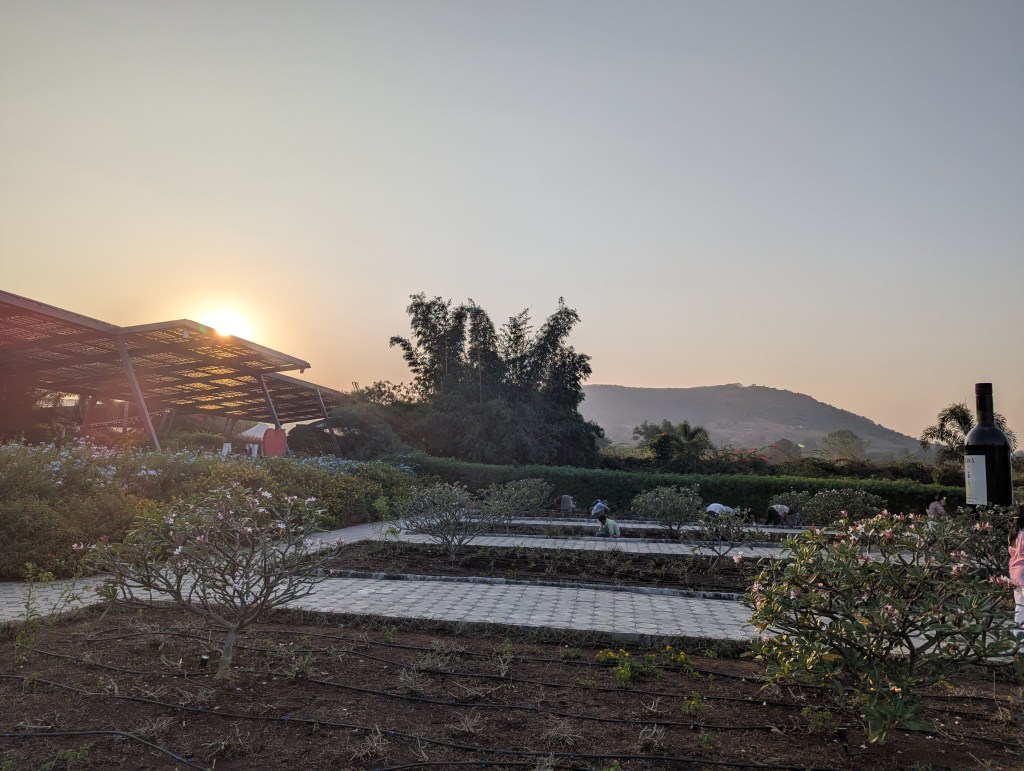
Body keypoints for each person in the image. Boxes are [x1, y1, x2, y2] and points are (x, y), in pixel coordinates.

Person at [1009, 504, 1024, 635]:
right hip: (1022, 572)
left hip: (1014, 571)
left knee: (1019, 605)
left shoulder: (1013, 533)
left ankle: (1017, 637)